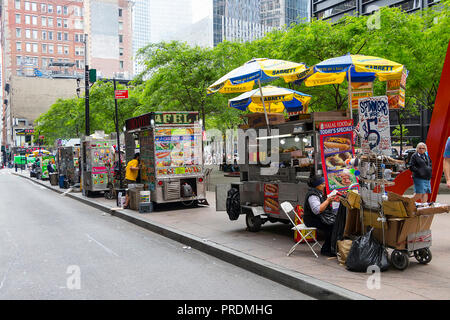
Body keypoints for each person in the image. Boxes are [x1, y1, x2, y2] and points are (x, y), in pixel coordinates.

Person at [303, 175, 340, 257]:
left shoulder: (318, 192)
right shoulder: (312, 195)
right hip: (311, 219)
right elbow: (317, 210)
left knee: (335, 223)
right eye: (322, 184)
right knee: (332, 226)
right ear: (317, 185)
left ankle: (330, 248)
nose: (324, 185)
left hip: (318, 217)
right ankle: (326, 249)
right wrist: (327, 200)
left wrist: (330, 201)